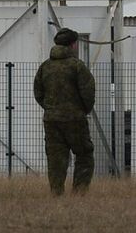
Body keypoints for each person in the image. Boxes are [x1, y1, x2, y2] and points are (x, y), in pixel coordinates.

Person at [33, 27, 98, 195]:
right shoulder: (77, 66)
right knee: (84, 154)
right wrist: (83, 109)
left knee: (56, 158)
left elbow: (38, 93)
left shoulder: (45, 67)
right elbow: (88, 91)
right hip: (75, 118)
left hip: (51, 119)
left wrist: (50, 108)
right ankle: (79, 192)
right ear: (73, 44)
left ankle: (56, 193)